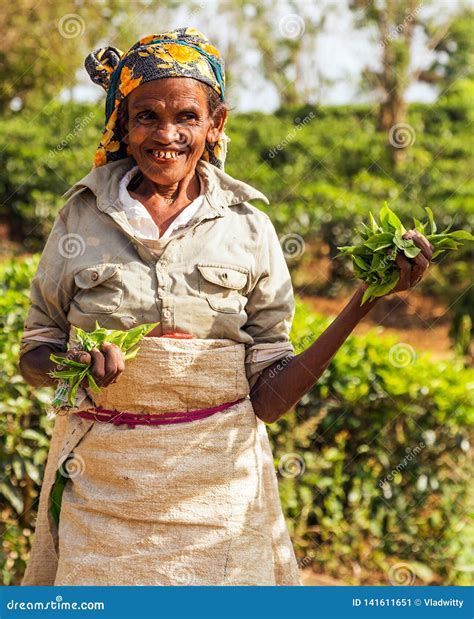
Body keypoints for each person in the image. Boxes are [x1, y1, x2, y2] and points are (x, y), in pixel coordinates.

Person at [18, 27, 433, 586]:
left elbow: (267, 399)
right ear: (121, 124)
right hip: (102, 486)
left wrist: (363, 301)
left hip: (219, 496)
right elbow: (33, 351)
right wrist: (77, 359)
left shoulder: (250, 228)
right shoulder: (79, 219)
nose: (166, 134)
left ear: (216, 124)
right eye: (145, 116)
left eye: (187, 116)